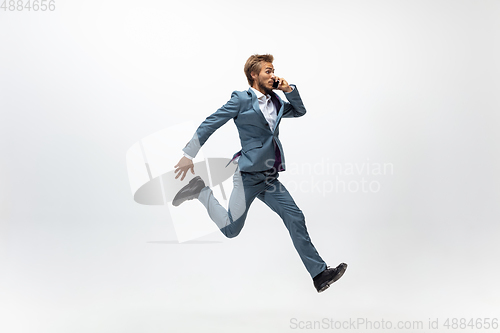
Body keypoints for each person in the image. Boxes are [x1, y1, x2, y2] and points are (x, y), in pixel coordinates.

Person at [173, 54, 347, 293]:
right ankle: (200, 190)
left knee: (295, 217)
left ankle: (319, 274)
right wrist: (188, 154)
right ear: (253, 75)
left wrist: (289, 89)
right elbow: (210, 123)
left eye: (273, 70)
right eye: (268, 70)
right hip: (247, 176)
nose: (273, 74)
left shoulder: (276, 102)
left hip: (270, 177)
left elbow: (300, 110)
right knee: (231, 231)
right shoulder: (241, 100)